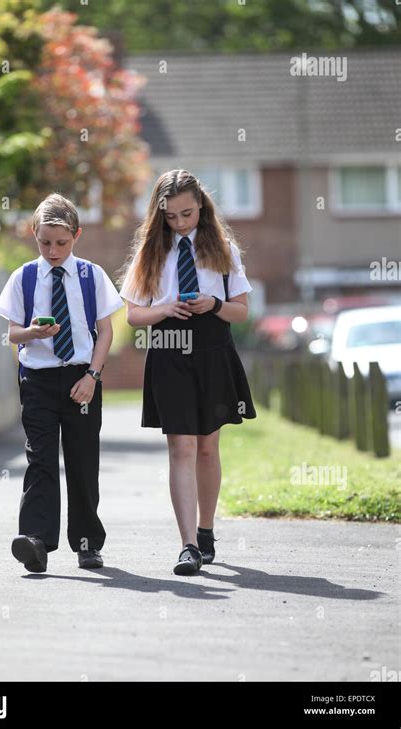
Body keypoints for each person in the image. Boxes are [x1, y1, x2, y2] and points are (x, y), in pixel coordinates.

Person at [118, 169, 256, 575]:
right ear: (158, 214)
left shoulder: (223, 248)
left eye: (187, 214)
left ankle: (207, 530)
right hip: (168, 351)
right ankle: (189, 547)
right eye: (171, 216)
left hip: (213, 350)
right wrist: (162, 309)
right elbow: (133, 316)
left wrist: (213, 303)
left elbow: (242, 312)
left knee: (208, 448)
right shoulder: (149, 252)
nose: (179, 223)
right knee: (182, 447)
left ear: (202, 208)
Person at [0, 193, 123, 572]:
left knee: (83, 462)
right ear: (34, 234)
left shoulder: (91, 276)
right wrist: (32, 332)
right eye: (45, 242)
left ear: (77, 236)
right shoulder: (24, 277)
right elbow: (12, 334)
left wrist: (93, 377)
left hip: (81, 378)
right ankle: (36, 540)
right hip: (38, 380)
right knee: (41, 460)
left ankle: (87, 543)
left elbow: (105, 333)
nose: (53, 250)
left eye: (61, 243)